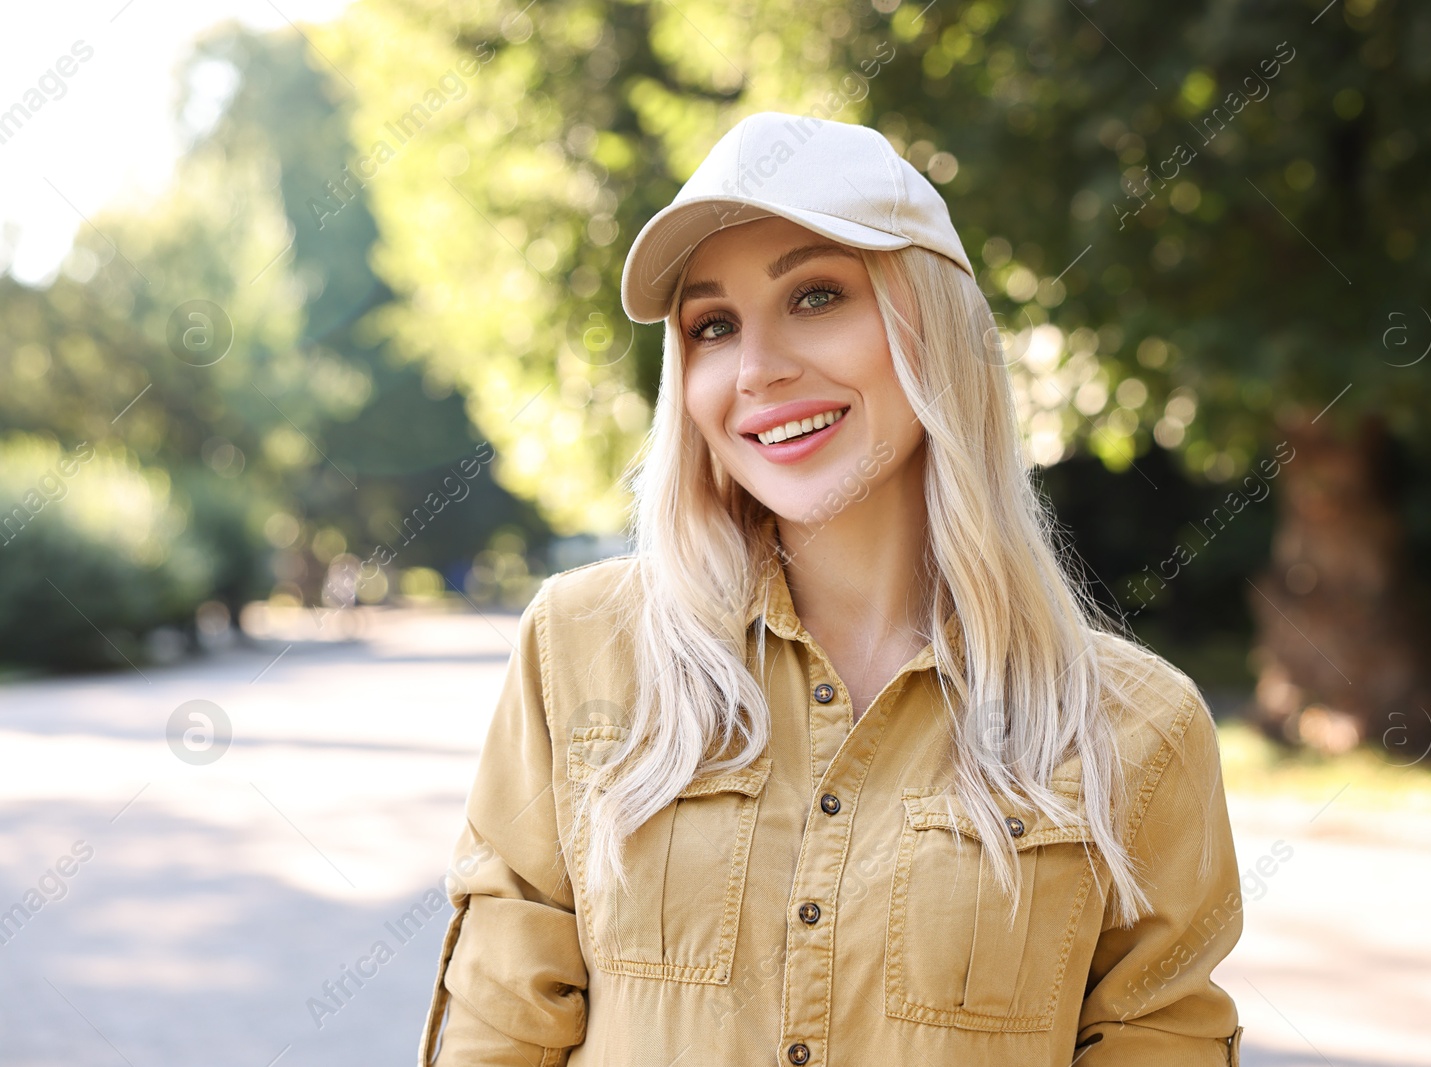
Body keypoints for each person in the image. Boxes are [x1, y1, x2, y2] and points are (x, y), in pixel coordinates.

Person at [417, 110, 1245, 1066]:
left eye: (815, 295)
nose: (758, 368)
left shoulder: (1137, 726)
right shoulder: (578, 646)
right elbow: (501, 1027)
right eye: (713, 326)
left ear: (931, 329)